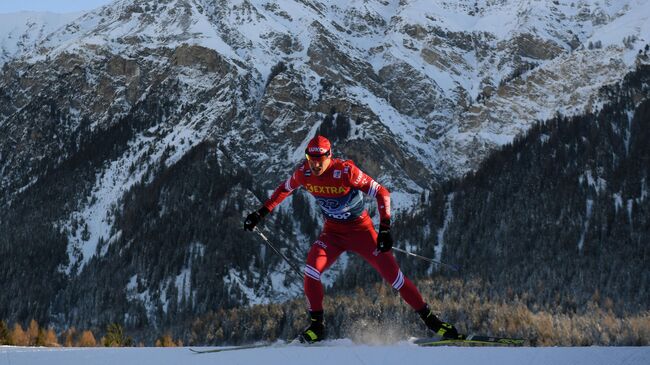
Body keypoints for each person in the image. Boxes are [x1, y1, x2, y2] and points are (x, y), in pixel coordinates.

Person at [244, 135, 462, 343]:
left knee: (395, 278)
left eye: (320, 160)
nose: (316, 165)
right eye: (311, 160)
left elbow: (382, 192)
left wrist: (385, 228)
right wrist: (259, 213)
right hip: (332, 234)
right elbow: (284, 189)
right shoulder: (304, 174)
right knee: (311, 271)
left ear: (329, 156)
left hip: (362, 232)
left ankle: (434, 323)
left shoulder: (346, 171)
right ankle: (317, 327)